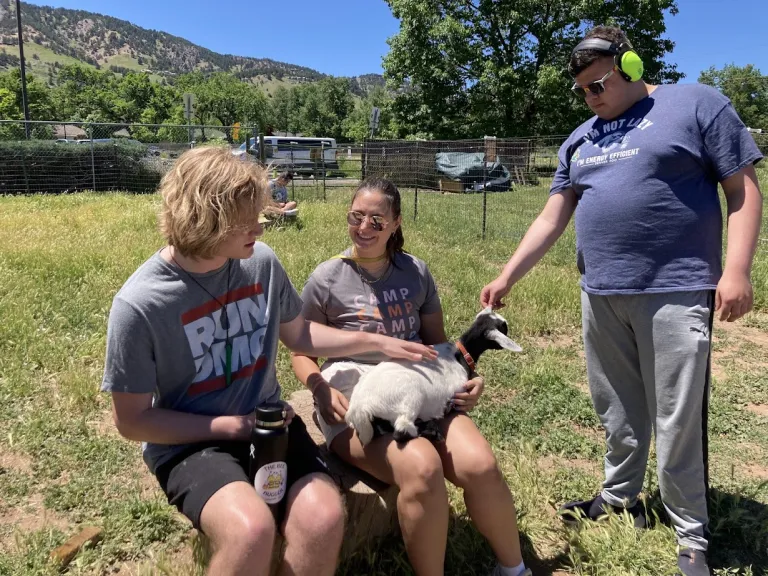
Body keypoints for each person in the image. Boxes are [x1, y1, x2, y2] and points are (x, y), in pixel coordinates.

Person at [480, 25, 763, 576]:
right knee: (617, 408)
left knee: (678, 415)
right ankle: (619, 497)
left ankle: (691, 533)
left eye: (600, 83)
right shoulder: (581, 139)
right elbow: (552, 215)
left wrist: (737, 269)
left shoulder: (696, 104)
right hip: (601, 292)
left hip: (675, 289)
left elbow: (742, 187)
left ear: (631, 65)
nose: (592, 97)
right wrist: (509, 273)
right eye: (583, 90)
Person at [101, 148, 438, 576]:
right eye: (246, 219)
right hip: (191, 443)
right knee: (251, 530)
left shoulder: (260, 262)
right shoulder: (141, 303)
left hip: (268, 425)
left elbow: (299, 335)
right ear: (206, 219)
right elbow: (132, 422)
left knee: (324, 516)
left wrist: (379, 344)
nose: (260, 226)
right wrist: (230, 427)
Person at [291, 178, 530, 576]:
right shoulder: (327, 278)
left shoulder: (415, 272)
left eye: (377, 220)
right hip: (356, 400)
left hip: (420, 390)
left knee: (480, 465)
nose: (364, 228)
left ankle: (515, 569)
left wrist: (472, 379)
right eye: (356, 217)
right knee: (421, 467)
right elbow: (301, 351)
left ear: (396, 223)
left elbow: (440, 347)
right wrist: (317, 387)